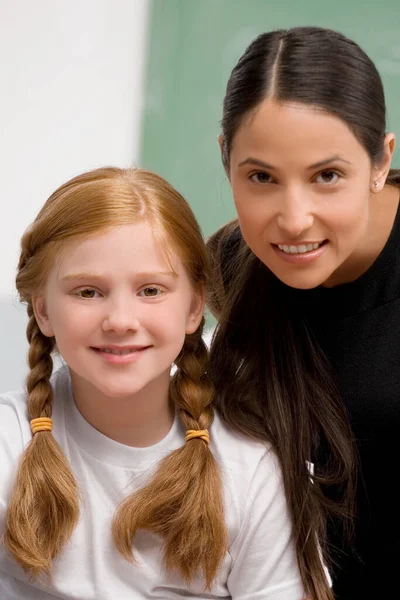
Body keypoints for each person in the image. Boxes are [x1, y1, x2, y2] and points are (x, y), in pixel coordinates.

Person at [0, 166, 311, 599]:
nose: (121, 321)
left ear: (193, 307)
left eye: (151, 291)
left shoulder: (250, 466)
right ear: (44, 310)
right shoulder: (8, 442)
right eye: (88, 292)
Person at [207, 25, 400, 600]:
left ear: (380, 161)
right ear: (226, 160)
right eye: (261, 177)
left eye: (327, 176)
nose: (294, 219)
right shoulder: (226, 267)